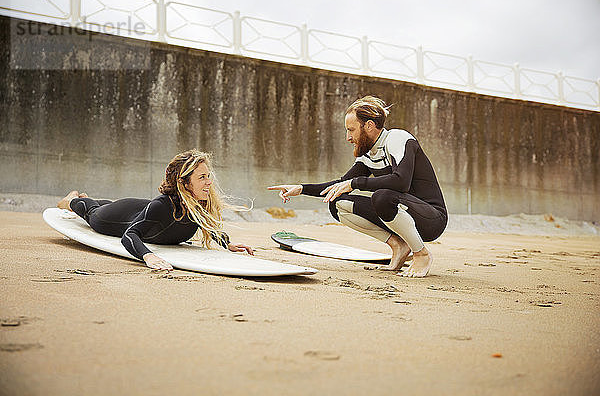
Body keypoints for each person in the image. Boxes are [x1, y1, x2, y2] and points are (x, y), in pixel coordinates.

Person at [268, 96, 447, 278]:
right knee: (337, 202)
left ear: (368, 126)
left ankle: (421, 253)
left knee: (383, 197)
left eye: (351, 130)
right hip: (401, 213)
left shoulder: (397, 138)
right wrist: (301, 188)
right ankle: (399, 245)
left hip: (431, 218)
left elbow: (401, 182)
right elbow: (341, 184)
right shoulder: (368, 154)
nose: (348, 137)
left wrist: (356, 183)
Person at [57, 149, 254, 271]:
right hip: (117, 217)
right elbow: (129, 235)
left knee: (108, 204)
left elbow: (208, 226)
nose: (209, 182)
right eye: (202, 177)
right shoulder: (162, 206)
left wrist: (227, 244)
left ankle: (94, 201)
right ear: (184, 183)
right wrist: (148, 256)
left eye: (208, 176)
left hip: (137, 208)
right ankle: (72, 200)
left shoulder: (198, 205)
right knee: (93, 213)